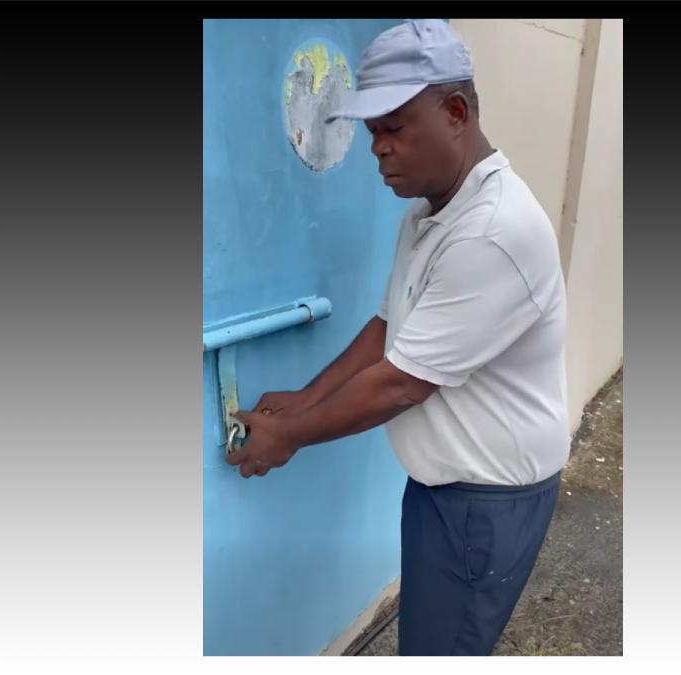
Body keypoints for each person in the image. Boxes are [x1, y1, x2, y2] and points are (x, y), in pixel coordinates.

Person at [226, 19, 570, 656]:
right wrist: (301, 400)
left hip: (485, 505)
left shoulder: (493, 231)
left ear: (456, 112)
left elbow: (402, 384)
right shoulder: (429, 212)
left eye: (394, 129)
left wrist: (290, 435)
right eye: (372, 133)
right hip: (445, 491)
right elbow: (389, 329)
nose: (378, 150)